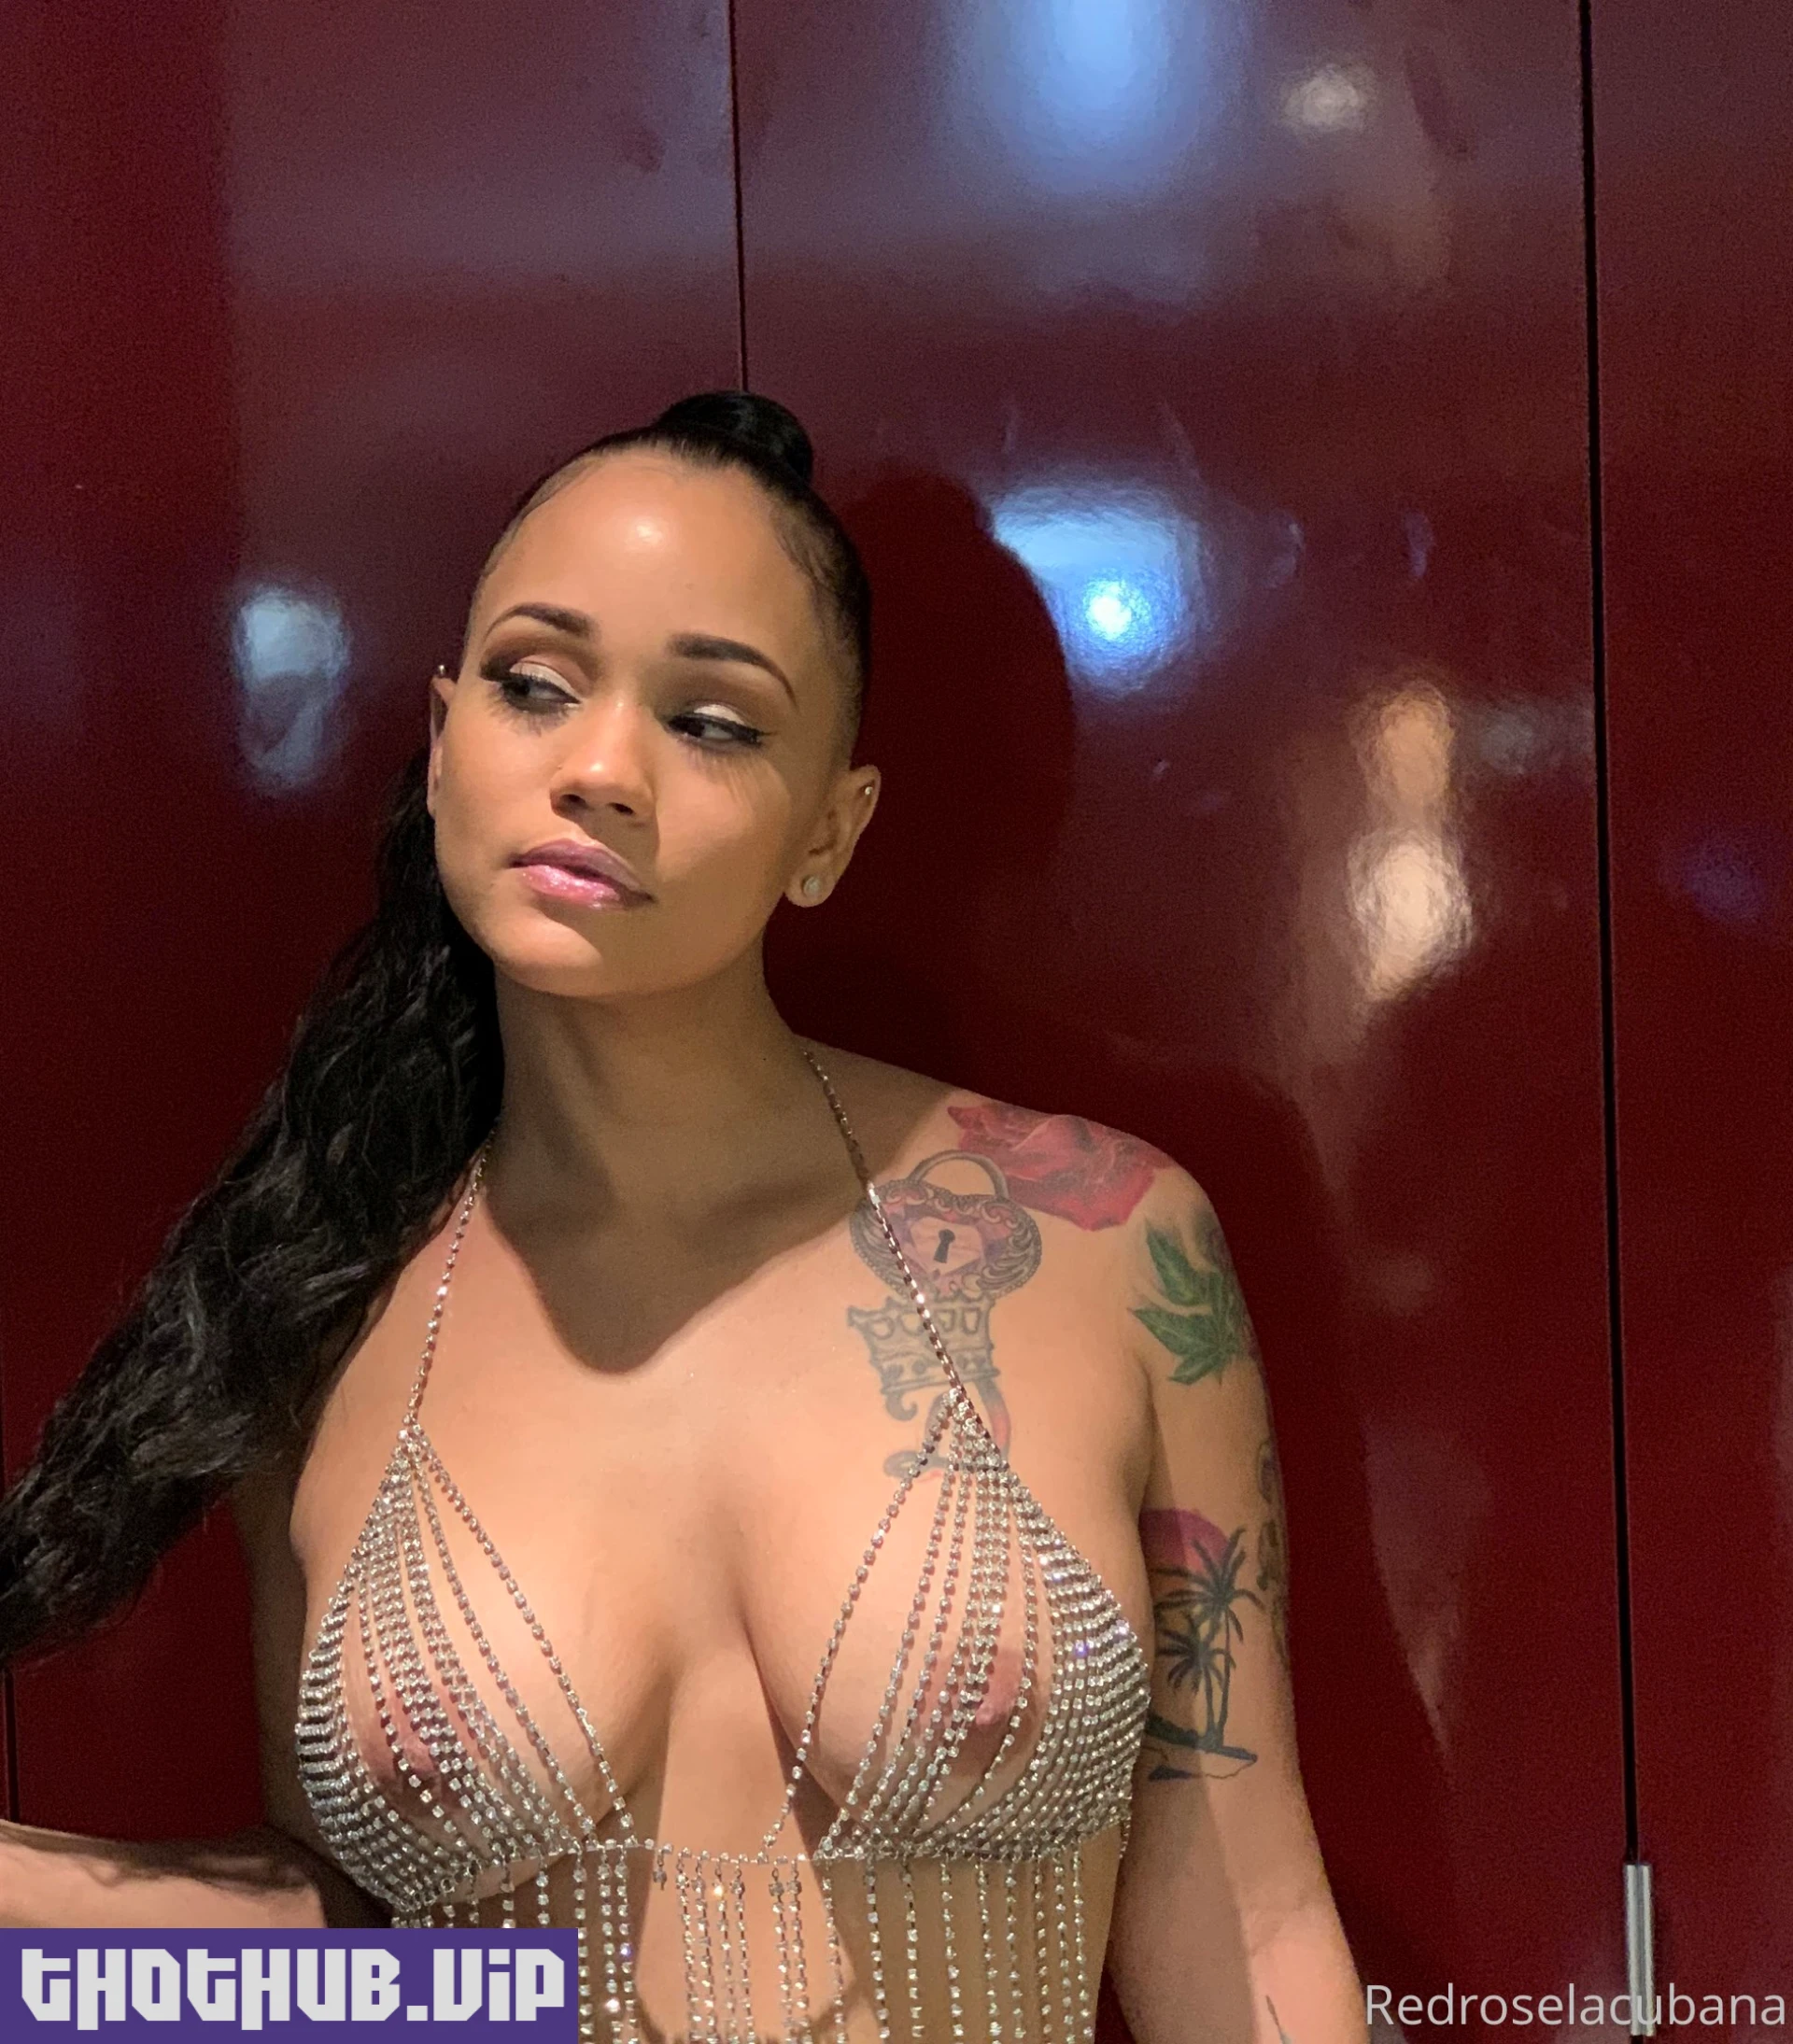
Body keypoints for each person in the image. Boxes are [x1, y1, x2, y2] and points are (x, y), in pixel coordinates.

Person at [0, 392, 1365, 2043]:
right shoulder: (323, 1304)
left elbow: (1251, 1915)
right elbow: (381, 1957)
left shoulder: (1102, 1241)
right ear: (441, 741)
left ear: (828, 832)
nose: (599, 771)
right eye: (533, 685)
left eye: (713, 721)